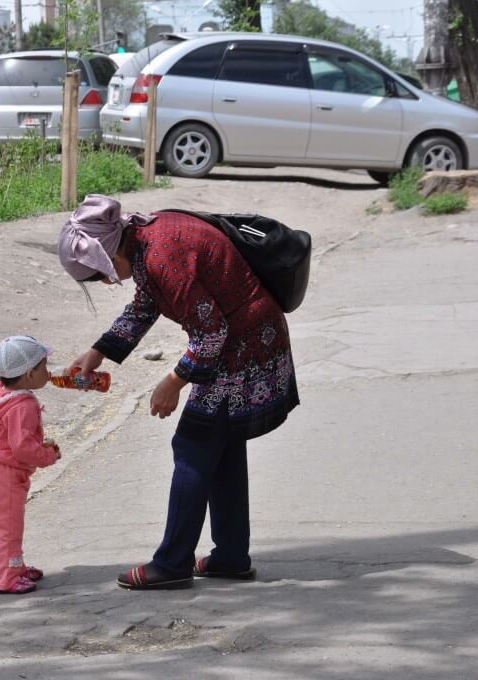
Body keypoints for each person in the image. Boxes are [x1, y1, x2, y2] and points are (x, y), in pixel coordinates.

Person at [57, 195, 299, 591]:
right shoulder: (147, 235)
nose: (106, 281)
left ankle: (172, 563)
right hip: (247, 338)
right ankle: (231, 557)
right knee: (221, 448)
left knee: (192, 446)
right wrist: (99, 352)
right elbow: (145, 305)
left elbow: (211, 333)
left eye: (99, 274)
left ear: (105, 252)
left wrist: (174, 381)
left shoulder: (159, 258)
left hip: (244, 346)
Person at [0, 335, 62, 594]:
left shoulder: (1, 394)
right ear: (27, 374)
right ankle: (5, 579)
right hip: (7, 474)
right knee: (7, 528)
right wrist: (48, 456)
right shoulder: (21, 405)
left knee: (9, 524)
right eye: (43, 368)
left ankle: (16, 567)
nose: (48, 373)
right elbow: (22, 446)